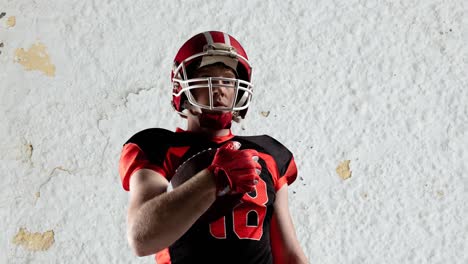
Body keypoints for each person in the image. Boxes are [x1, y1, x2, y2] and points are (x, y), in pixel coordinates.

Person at [118, 31, 308, 264]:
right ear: (182, 87)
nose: (219, 89)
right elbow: (141, 239)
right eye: (207, 77)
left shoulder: (268, 153)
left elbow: (289, 254)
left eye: (227, 80)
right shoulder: (158, 146)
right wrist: (212, 180)